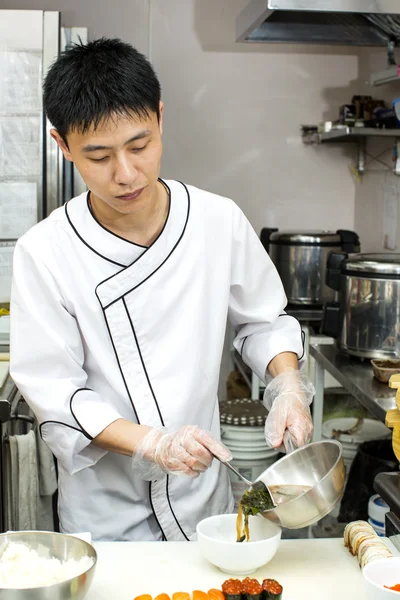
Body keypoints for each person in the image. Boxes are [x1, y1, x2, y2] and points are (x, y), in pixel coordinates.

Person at [10, 38, 315, 541]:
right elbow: (57, 393)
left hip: (205, 503)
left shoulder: (217, 221)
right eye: (99, 156)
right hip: (106, 516)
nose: (126, 174)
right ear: (61, 145)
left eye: (139, 145)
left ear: (160, 117)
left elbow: (263, 320)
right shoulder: (44, 252)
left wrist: (287, 386)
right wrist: (152, 443)